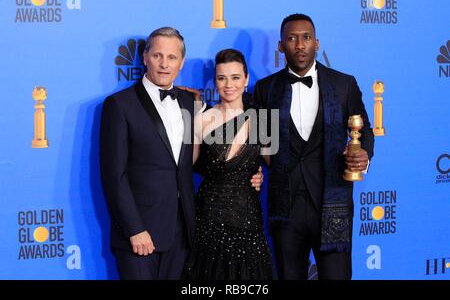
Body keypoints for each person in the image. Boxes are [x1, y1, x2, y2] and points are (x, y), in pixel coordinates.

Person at [100, 27, 264, 280]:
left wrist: (253, 171)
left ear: (181, 62)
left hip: (184, 231)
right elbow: (114, 177)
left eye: (172, 58)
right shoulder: (120, 105)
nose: (164, 64)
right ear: (145, 57)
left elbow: (202, 160)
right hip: (141, 232)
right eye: (158, 56)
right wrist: (135, 229)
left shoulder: (190, 104)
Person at [253, 14, 374, 280]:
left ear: (316, 43)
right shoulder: (265, 89)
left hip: (332, 201)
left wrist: (363, 156)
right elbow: (256, 140)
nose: (300, 45)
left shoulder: (344, 84)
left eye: (306, 37)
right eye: (292, 38)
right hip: (285, 206)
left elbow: (364, 131)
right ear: (281, 45)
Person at [183, 49, 273, 280]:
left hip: (248, 220)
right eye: (222, 78)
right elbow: (187, 165)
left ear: (246, 80)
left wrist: (260, 172)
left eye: (235, 77)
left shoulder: (262, 119)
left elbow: (277, 166)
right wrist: (190, 114)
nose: (228, 84)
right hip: (209, 218)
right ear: (215, 81)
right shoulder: (200, 118)